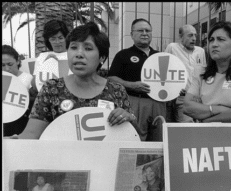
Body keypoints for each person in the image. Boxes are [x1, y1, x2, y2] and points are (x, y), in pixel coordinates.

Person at [8, 21, 139, 139]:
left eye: (88, 48)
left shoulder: (116, 90)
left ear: (102, 57)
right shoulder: (51, 88)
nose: (78, 54)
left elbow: (132, 135)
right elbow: (31, 134)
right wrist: (12, 142)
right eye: (73, 47)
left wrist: (128, 118)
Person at [183, 21, 231, 123]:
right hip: (204, 136)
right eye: (211, 40)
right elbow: (187, 107)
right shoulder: (200, 72)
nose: (214, 44)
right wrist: (218, 109)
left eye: (221, 40)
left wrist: (206, 120)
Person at [108, 18, 166, 141]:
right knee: (136, 138)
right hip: (135, 101)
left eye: (148, 30)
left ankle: (158, 161)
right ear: (132, 34)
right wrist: (131, 85)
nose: (144, 33)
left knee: (160, 139)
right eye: (140, 30)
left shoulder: (161, 56)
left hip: (159, 103)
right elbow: (111, 78)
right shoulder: (123, 55)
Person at [165, 24, 207, 123]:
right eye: (190, 35)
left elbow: (203, 73)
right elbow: (164, 69)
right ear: (181, 37)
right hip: (182, 97)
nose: (194, 38)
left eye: (195, 35)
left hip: (199, 98)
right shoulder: (172, 48)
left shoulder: (200, 51)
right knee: (186, 127)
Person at [2, 45, 34, 136]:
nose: (6, 69)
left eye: (10, 64)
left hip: (21, 125)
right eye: (2, 65)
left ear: (18, 61)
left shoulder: (28, 79)